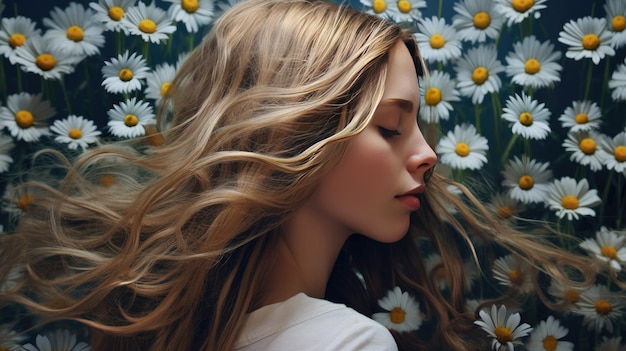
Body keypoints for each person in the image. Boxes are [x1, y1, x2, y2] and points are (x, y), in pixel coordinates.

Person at [0, 0, 597, 350]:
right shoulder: (346, 344)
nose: (427, 155)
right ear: (292, 133)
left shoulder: (186, 334)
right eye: (390, 127)